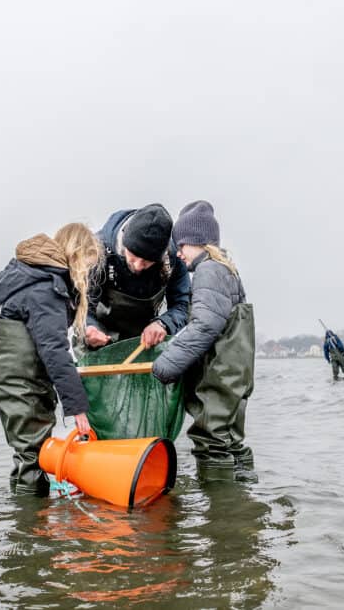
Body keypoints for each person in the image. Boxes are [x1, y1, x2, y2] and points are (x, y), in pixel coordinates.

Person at [0, 223, 102, 496]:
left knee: (26, 454)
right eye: (87, 264)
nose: (87, 273)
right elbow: (54, 350)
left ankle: (22, 526)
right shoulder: (45, 289)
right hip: (22, 383)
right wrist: (77, 407)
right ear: (76, 255)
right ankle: (33, 528)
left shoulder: (33, 279)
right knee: (34, 457)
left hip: (15, 379)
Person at [151, 201, 255, 481]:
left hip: (218, 379)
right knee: (231, 440)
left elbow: (205, 326)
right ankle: (243, 507)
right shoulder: (227, 269)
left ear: (196, 242)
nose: (179, 253)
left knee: (211, 443)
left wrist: (166, 364)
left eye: (181, 245)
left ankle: (220, 518)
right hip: (234, 378)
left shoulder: (209, 271)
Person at [83, 204, 191, 351]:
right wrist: (89, 327)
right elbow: (82, 305)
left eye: (147, 261)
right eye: (134, 256)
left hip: (143, 342)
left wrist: (163, 323)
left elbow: (182, 305)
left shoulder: (174, 259)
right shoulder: (97, 250)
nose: (139, 266)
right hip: (99, 339)